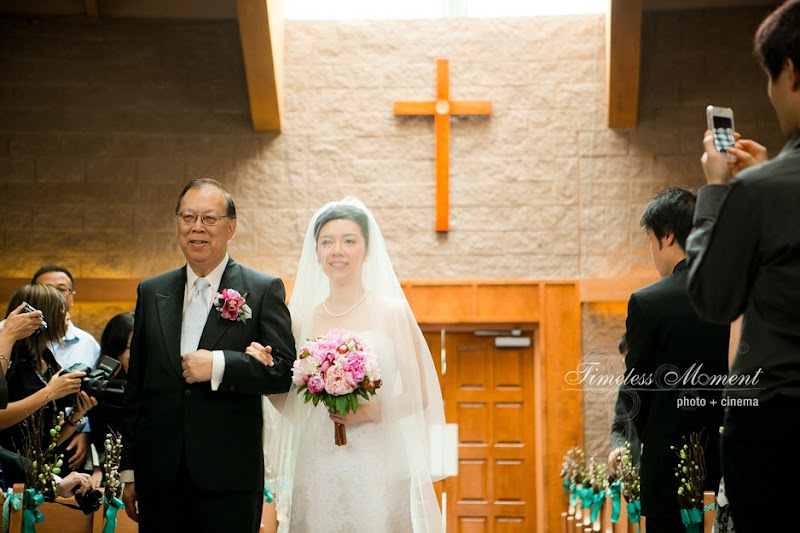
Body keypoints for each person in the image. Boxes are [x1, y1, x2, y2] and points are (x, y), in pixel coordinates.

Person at [253, 197, 446, 532]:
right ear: (316, 252)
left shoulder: (392, 312)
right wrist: (264, 376)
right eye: (327, 242)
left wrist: (367, 412)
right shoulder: (300, 320)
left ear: (367, 250)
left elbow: (420, 394)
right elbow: (297, 409)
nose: (337, 251)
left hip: (378, 460)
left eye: (349, 241)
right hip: (318, 461)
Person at [120, 178, 295, 533]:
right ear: (177, 224)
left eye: (209, 218)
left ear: (231, 227)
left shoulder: (262, 289)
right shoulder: (152, 292)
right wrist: (130, 470)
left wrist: (220, 365)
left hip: (228, 479)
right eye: (188, 217)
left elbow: (283, 372)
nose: (197, 227)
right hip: (159, 481)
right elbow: (137, 387)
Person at [686, 2, 800, 531]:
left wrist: (718, 192)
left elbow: (712, 298)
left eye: (770, 79)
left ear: (791, 72)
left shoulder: (759, 192)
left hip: (779, 427)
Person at [618, 188, 729, 533]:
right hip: (731, 469)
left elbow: (635, 395)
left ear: (667, 235)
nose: (653, 253)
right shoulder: (736, 294)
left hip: (669, 474)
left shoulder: (648, 302)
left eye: (651, 241)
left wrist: (660, 435)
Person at [0, 285, 97, 462]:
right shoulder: (10, 356)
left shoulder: (48, 359)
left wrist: (76, 416)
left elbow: (47, 444)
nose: (68, 316)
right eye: (61, 311)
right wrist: (48, 393)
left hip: (36, 468)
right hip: (7, 468)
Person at [31, 265, 101, 473]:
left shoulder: (88, 343)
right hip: (23, 438)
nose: (54, 296)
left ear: (72, 297)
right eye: (46, 289)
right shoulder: (17, 340)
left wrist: (86, 432)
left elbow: (94, 393)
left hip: (72, 440)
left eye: (61, 289)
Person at [88, 311, 133, 487]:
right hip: (112, 473)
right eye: (129, 347)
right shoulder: (103, 387)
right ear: (116, 347)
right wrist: (98, 467)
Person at [607, 334, 640, 474]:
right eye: (625, 360)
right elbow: (618, 428)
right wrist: (619, 446)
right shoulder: (626, 390)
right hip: (636, 473)